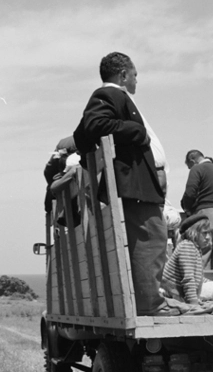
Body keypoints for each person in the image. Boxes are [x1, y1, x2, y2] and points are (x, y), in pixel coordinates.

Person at [73, 52, 177, 316]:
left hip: (135, 184)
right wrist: (138, 133)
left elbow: (81, 134)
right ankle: (150, 305)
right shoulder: (108, 94)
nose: (136, 81)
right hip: (134, 184)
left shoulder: (113, 97)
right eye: (134, 75)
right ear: (122, 75)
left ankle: (147, 301)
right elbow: (93, 125)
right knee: (150, 239)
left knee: (149, 239)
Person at [161, 214, 212, 304]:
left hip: (178, 295)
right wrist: (193, 303)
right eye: (204, 233)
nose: (208, 237)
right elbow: (188, 279)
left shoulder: (195, 248)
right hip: (170, 294)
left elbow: (198, 277)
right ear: (193, 233)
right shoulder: (187, 246)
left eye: (209, 233)